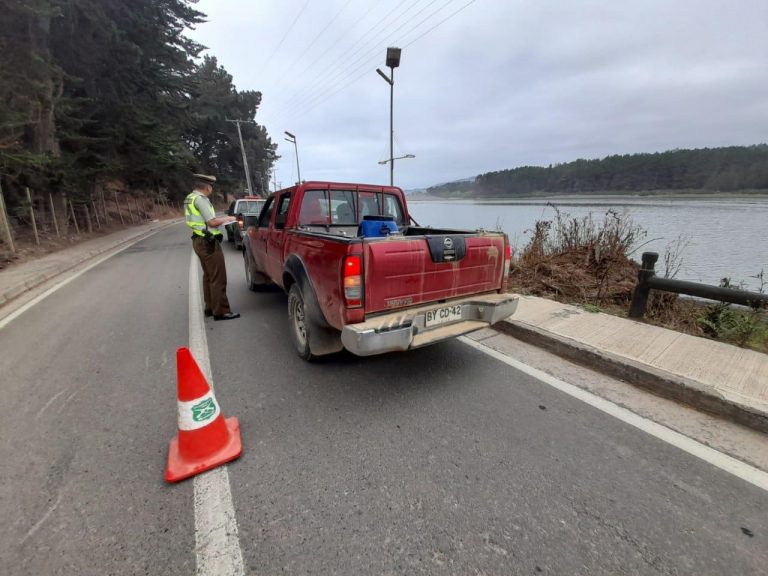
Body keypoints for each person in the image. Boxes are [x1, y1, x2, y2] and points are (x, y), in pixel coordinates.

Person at [184, 173, 240, 321]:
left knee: (208, 276)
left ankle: (210, 307)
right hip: (207, 242)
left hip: (198, 239)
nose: (211, 188)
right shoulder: (201, 200)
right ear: (207, 187)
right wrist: (229, 218)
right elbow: (212, 222)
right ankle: (221, 311)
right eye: (211, 186)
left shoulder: (190, 197)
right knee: (218, 277)